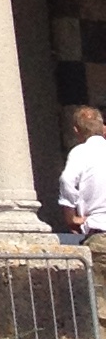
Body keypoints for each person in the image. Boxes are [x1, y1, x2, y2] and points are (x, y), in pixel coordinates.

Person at [60, 104, 106, 244]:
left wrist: (71, 217)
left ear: (76, 130)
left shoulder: (80, 152)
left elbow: (66, 180)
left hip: (99, 228)